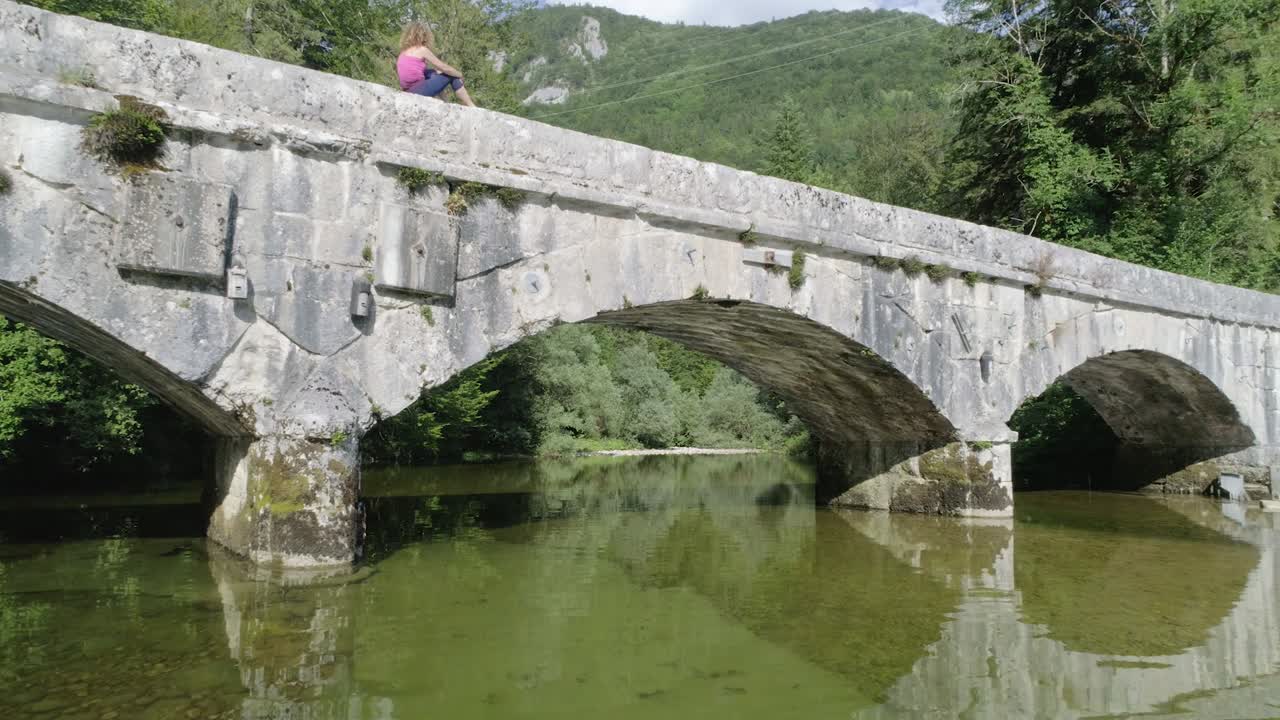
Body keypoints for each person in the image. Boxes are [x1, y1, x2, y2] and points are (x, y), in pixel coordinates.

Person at [396, 21, 477, 108]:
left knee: (431, 72)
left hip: (407, 91)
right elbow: (444, 67)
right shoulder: (421, 49)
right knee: (452, 75)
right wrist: (459, 74)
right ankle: (471, 105)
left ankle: (446, 103)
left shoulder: (402, 53)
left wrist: (437, 72)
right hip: (419, 90)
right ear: (424, 36)